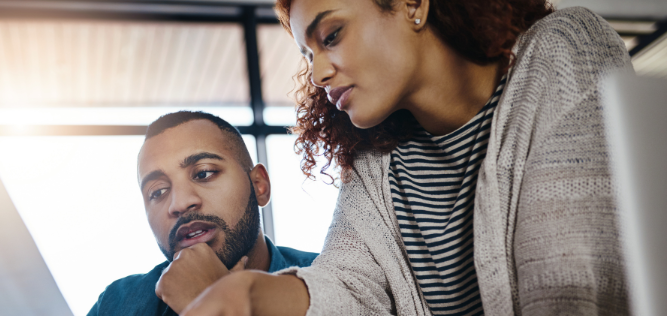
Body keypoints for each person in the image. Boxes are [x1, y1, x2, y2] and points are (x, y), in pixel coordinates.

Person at [181, 0, 632, 315]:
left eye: (331, 35)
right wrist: (250, 295)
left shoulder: (563, 48)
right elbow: (347, 285)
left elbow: (570, 290)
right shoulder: (377, 162)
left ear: (413, 4)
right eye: (308, 54)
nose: (317, 73)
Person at [86, 111, 317, 316]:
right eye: (158, 192)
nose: (180, 203)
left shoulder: (331, 281)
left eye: (204, 174)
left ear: (259, 186)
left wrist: (219, 301)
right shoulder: (115, 305)